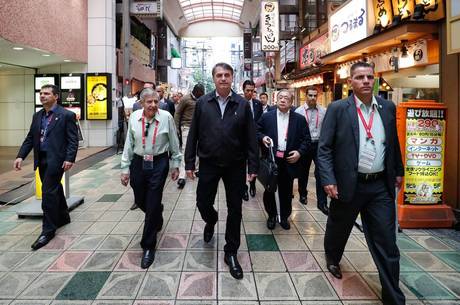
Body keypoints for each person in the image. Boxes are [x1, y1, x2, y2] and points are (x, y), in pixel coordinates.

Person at [317, 62, 405, 305]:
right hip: (348, 183)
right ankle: (332, 257)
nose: (366, 81)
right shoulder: (337, 109)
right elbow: (324, 149)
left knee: (386, 242)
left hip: (379, 186)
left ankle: (393, 297)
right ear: (351, 82)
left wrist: (398, 170)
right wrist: (328, 179)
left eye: (369, 77)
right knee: (339, 227)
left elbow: (393, 143)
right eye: (360, 77)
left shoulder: (387, 108)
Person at [185, 63, 258, 280]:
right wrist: (189, 162)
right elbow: (193, 134)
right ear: (214, 78)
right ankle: (211, 219)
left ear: (232, 78)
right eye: (219, 75)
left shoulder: (243, 104)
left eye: (227, 75)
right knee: (202, 202)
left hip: (235, 165)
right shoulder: (203, 103)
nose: (223, 78)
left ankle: (231, 252)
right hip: (208, 163)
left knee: (235, 209)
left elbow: (251, 138)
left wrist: (253, 166)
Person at [120, 88, 181, 269]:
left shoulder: (166, 117)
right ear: (141, 103)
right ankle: (156, 212)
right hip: (139, 162)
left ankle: (148, 246)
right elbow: (129, 143)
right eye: (149, 102)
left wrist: (176, 163)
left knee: (153, 200)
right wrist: (125, 168)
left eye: (156, 101)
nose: (153, 105)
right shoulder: (134, 117)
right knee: (140, 199)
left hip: (159, 162)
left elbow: (173, 141)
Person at [14, 84, 79, 250]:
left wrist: (69, 158)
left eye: (46, 93)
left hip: (56, 160)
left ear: (56, 96)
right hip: (40, 160)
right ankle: (63, 216)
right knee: (55, 188)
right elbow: (30, 138)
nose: (42, 96)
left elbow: (72, 140)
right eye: (41, 93)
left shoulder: (66, 115)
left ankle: (48, 230)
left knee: (48, 193)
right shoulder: (37, 116)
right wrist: (21, 155)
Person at [257, 89, 310, 230]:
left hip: (289, 160)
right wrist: (263, 138)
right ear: (276, 100)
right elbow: (257, 131)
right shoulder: (267, 117)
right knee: (270, 189)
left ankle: (285, 216)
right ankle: (272, 216)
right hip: (272, 159)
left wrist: (299, 152)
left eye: (286, 98)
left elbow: (307, 140)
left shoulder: (299, 119)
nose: (282, 100)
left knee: (286, 191)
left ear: (291, 102)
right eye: (280, 97)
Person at [294, 86, 328, 213]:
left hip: (319, 144)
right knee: (303, 172)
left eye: (315, 95)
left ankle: (322, 202)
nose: (313, 98)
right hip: (305, 145)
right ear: (306, 96)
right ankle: (303, 193)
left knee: (321, 173)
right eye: (310, 95)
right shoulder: (298, 112)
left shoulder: (324, 111)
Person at [174, 83, 205, 189]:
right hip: (186, 127)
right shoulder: (185, 99)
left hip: (200, 128)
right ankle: (182, 176)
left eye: (202, 93)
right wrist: (176, 128)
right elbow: (177, 113)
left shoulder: (202, 100)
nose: (202, 95)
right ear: (195, 91)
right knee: (186, 151)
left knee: (198, 150)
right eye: (200, 93)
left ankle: (195, 170)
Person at [242, 80, 263, 200]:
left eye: (252, 91)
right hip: (240, 141)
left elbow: (259, 122)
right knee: (241, 165)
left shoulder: (257, 104)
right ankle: (243, 188)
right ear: (243, 90)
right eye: (247, 90)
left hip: (254, 140)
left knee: (253, 163)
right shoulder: (238, 103)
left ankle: (252, 185)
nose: (250, 93)